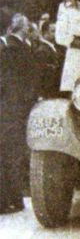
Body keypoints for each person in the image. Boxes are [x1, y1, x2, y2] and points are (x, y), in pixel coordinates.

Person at [0, 13, 35, 213]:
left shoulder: (8, 48)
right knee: (12, 153)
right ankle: (14, 199)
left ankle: (7, 201)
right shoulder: (18, 48)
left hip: (7, 107)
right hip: (15, 107)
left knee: (6, 153)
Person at [35, 21, 64, 99]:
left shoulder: (55, 48)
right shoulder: (42, 51)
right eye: (53, 31)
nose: (56, 34)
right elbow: (41, 75)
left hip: (55, 92)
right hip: (48, 93)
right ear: (45, 33)